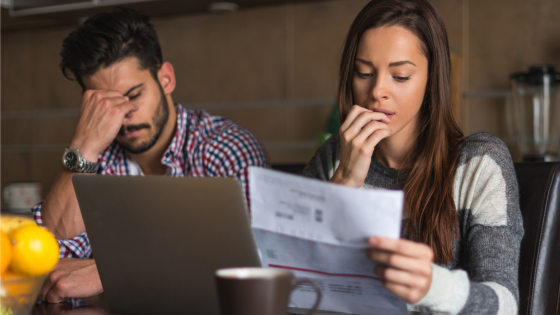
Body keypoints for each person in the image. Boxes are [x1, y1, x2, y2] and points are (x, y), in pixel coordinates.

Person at [35, 8, 269, 303]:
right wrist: (84, 146)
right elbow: (45, 266)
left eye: (133, 95)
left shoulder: (225, 149)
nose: (124, 114)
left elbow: (252, 272)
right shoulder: (94, 158)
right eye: (106, 104)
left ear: (166, 78)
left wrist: (110, 272)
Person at [303, 0, 523, 314]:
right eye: (364, 72)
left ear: (431, 80)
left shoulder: (478, 164)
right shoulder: (333, 160)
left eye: (401, 76)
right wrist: (343, 184)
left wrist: (432, 286)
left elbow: (505, 305)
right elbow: (295, 287)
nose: (378, 90)